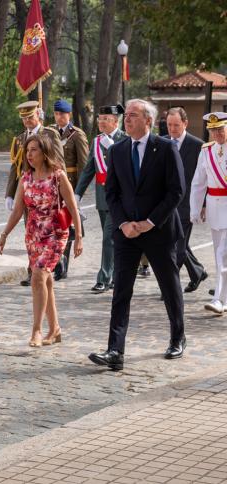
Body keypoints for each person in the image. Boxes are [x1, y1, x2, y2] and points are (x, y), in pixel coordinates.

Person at [89, 99, 186, 371]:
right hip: (127, 233)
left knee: (169, 286)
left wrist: (149, 222)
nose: (127, 119)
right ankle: (114, 351)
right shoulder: (118, 150)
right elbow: (112, 193)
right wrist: (123, 224)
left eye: (132, 115)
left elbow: (176, 191)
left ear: (148, 120)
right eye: (126, 115)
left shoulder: (165, 148)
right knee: (121, 290)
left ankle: (178, 337)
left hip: (159, 231)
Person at [0, 135, 83, 347]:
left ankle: (36, 330)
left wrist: (79, 237)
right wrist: (4, 235)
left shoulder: (58, 176)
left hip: (55, 234)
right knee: (46, 281)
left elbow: (73, 207)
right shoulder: (25, 179)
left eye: (34, 150)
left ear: (44, 152)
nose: (29, 154)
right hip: (33, 235)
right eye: (28, 151)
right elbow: (18, 211)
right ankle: (55, 330)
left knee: (38, 277)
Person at [6, 101, 64, 286]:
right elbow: (16, 167)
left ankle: (52, 265)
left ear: (38, 115)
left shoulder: (50, 134)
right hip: (29, 190)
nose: (27, 122)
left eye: (30, 117)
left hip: (48, 191)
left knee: (51, 230)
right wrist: (10, 193)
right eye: (23, 119)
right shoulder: (20, 138)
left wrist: (60, 191)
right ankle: (34, 271)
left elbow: (59, 162)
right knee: (31, 232)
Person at [75, 104, 128, 293]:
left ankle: (104, 278)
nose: (101, 122)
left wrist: (114, 149)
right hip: (102, 196)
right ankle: (115, 276)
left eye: (105, 119)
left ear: (115, 121)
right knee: (114, 238)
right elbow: (89, 169)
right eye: (99, 118)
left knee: (108, 237)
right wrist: (77, 193)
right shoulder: (97, 141)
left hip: (119, 197)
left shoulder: (125, 139)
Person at [165, 107, 207, 293]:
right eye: (169, 125)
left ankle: (169, 288)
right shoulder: (162, 142)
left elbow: (206, 177)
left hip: (188, 204)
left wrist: (203, 204)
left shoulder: (198, 145)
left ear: (185, 124)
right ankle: (197, 272)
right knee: (175, 242)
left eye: (176, 125)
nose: (172, 129)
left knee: (178, 249)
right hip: (166, 205)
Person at [189, 112, 227, 313]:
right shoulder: (206, 151)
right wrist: (195, 209)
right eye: (213, 130)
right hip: (214, 207)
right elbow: (198, 182)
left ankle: (218, 299)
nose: (217, 134)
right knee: (218, 254)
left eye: (220, 129)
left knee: (223, 254)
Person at [51, 99, 88, 280]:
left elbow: (84, 165)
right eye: (57, 114)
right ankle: (56, 260)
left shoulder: (77, 135)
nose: (59, 118)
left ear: (69, 115)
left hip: (70, 184)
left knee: (66, 223)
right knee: (53, 223)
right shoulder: (50, 133)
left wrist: (78, 191)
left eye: (62, 114)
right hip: (52, 185)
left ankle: (62, 264)